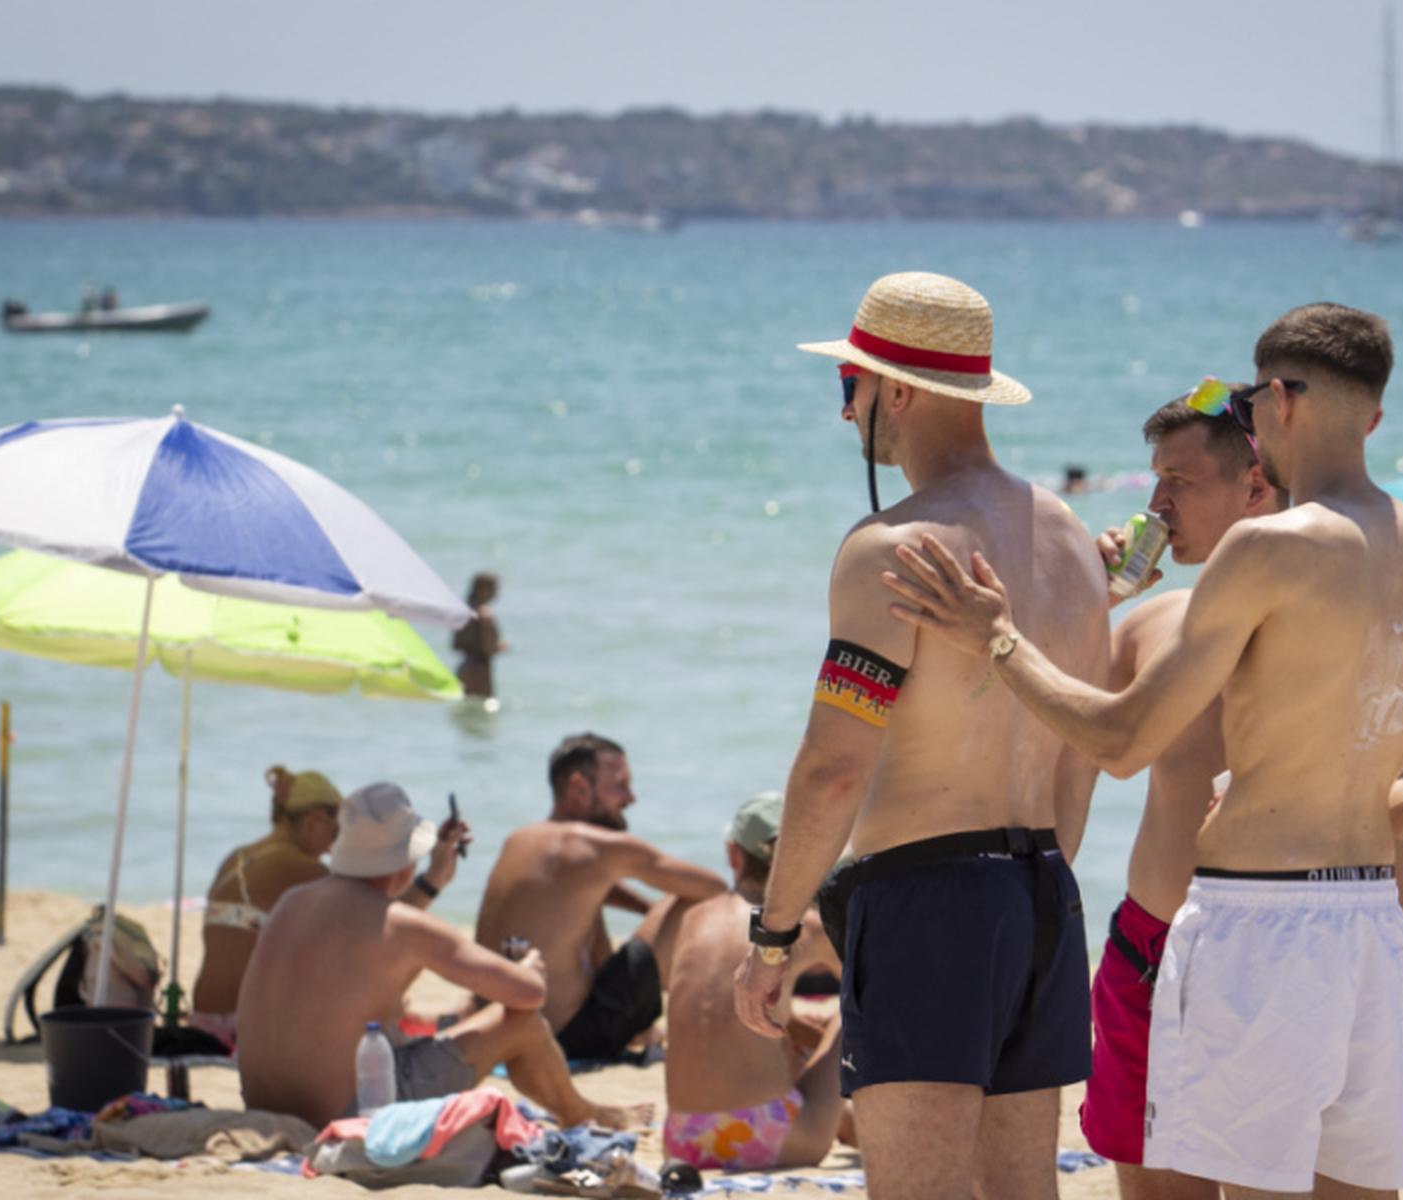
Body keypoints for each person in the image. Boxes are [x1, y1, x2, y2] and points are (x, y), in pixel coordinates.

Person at [886, 302, 1403, 1199]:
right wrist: (1333, 799)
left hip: (1259, 924)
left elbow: (1124, 740)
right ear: (1373, 417)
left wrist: (999, 637)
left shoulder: (1266, 548)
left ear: (1278, 401)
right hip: (1371, 926)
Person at [732, 271, 1110, 1200]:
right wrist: (1035, 897)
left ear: (894, 390)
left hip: (930, 899)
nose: (844, 412)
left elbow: (831, 768)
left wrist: (773, 938)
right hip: (1045, 897)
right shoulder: (1067, 538)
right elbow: (1082, 753)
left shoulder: (893, 547)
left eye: (847, 386)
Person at [1079, 390, 1286, 1200]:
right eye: (1156, 482)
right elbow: (1051, 750)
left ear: (1256, 487)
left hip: (1270, 943)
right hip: (1147, 946)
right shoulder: (1152, 621)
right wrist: (1089, 604)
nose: (1156, 505)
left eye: (1179, 482)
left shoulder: (1334, 628)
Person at [238, 782, 643, 1129]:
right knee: (520, 1023)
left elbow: (372, 930)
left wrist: (433, 882)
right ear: (404, 860)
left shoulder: (293, 902)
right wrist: (529, 970)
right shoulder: (401, 927)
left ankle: (580, 1110)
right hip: (346, 1115)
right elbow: (528, 996)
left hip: (262, 1104)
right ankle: (580, 1113)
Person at [475, 733, 725, 1062]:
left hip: (504, 1027)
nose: (631, 798)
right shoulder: (597, 848)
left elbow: (593, 889)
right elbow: (714, 888)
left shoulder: (520, 840)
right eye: (620, 785)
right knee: (689, 900)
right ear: (579, 787)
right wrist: (662, 921)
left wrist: (646, 910)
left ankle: (642, 1022)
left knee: (594, 907)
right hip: (572, 1039)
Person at [664, 791, 850, 1172]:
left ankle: (846, 1123)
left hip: (682, 1139)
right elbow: (872, 995)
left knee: (772, 1035)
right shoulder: (806, 926)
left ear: (735, 855)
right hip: (766, 1140)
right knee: (862, 1000)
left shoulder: (693, 918)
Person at [190, 767, 400, 1051]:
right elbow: (375, 915)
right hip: (241, 1025)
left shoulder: (237, 856)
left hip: (203, 1018)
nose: (333, 847)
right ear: (315, 820)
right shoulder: (299, 866)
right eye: (337, 831)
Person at [453, 572, 507, 699]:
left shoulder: (465, 612)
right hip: (480, 671)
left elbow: (455, 645)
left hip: (464, 668)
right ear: (484, 590)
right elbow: (487, 649)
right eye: (494, 589)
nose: (496, 593)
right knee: (482, 708)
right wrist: (500, 647)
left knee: (466, 712)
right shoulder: (484, 616)